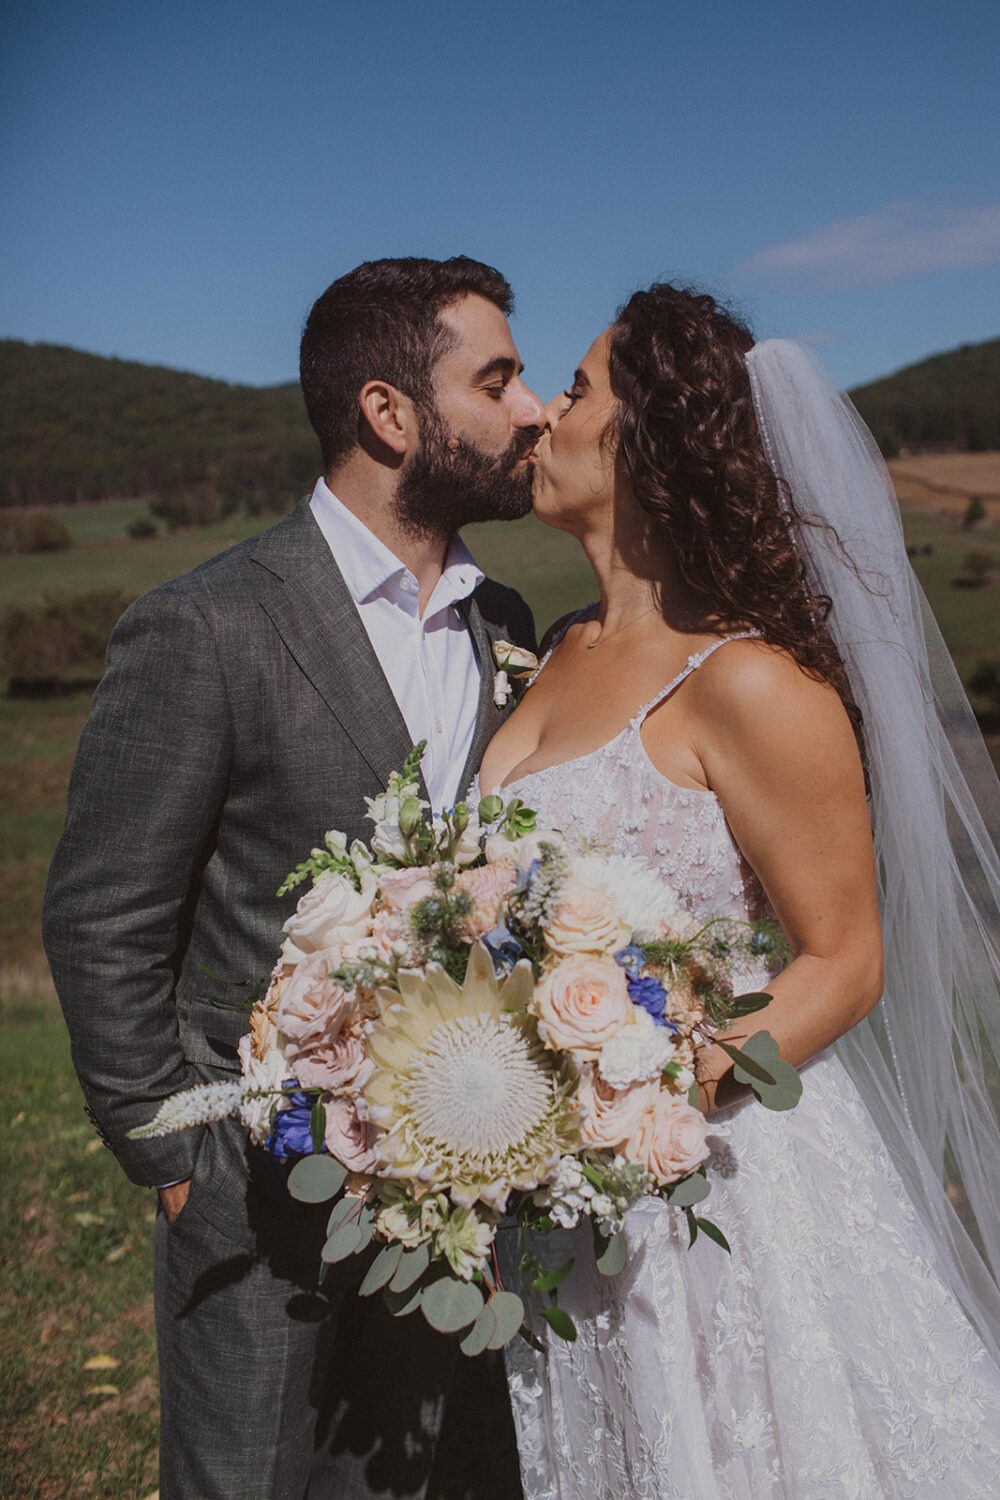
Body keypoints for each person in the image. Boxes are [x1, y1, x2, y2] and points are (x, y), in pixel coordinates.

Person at [478, 283, 1000, 1497]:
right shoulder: (551, 649)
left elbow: (843, 960)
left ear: (645, 439)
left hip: (719, 1183)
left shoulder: (751, 683)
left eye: (579, 388)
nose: (545, 413)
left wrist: (641, 1102)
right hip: (564, 1199)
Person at [43, 255, 543, 1500]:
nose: (533, 409)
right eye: (497, 380)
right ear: (390, 413)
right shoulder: (207, 624)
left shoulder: (515, 625)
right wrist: (176, 1166)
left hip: (476, 1202)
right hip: (262, 1207)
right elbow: (103, 915)